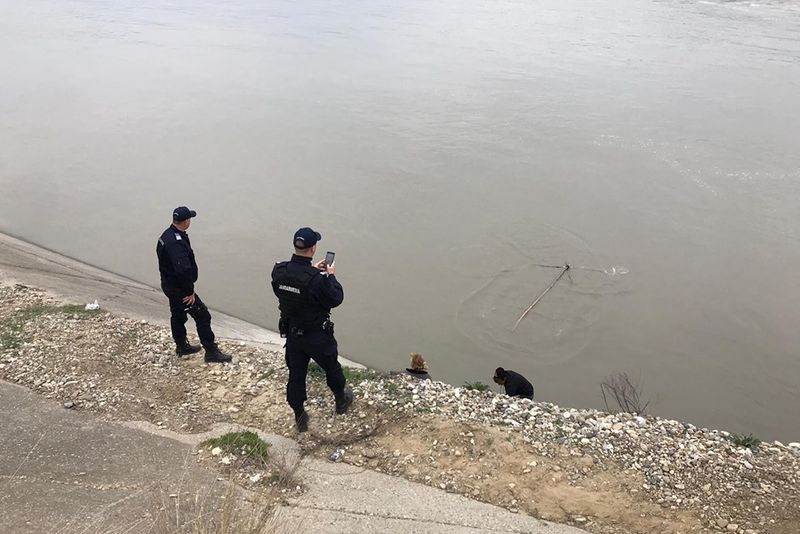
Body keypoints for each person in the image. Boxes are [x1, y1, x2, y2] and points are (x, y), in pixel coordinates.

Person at [271, 227, 353, 432]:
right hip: (316, 335)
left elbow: (285, 289)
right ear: (313, 248)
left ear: (295, 246)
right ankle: (341, 400)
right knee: (332, 368)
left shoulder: (279, 271)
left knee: (296, 375)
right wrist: (330, 276)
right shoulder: (318, 280)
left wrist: (312, 271)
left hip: (293, 334)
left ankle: (300, 415)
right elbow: (336, 298)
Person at [156, 206, 231, 363]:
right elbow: (183, 270)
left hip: (169, 285)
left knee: (178, 314)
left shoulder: (166, 235)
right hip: (180, 289)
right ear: (186, 222)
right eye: (189, 218)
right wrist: (189, 291)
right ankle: (211, 351)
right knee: (202, 315)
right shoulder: (176, 243)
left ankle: (182, 346)